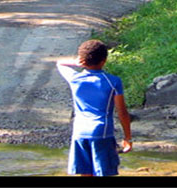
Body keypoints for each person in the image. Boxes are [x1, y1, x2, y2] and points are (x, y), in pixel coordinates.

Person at [56, 40, 132, 177]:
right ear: (104, 60)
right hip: (101, 133)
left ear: (83, 60)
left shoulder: (74, 78)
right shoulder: (113, 81)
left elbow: (60, 63)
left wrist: (77, 62)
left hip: (79, 132)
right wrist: (128, 138)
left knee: (85, 173)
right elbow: (122, 113)